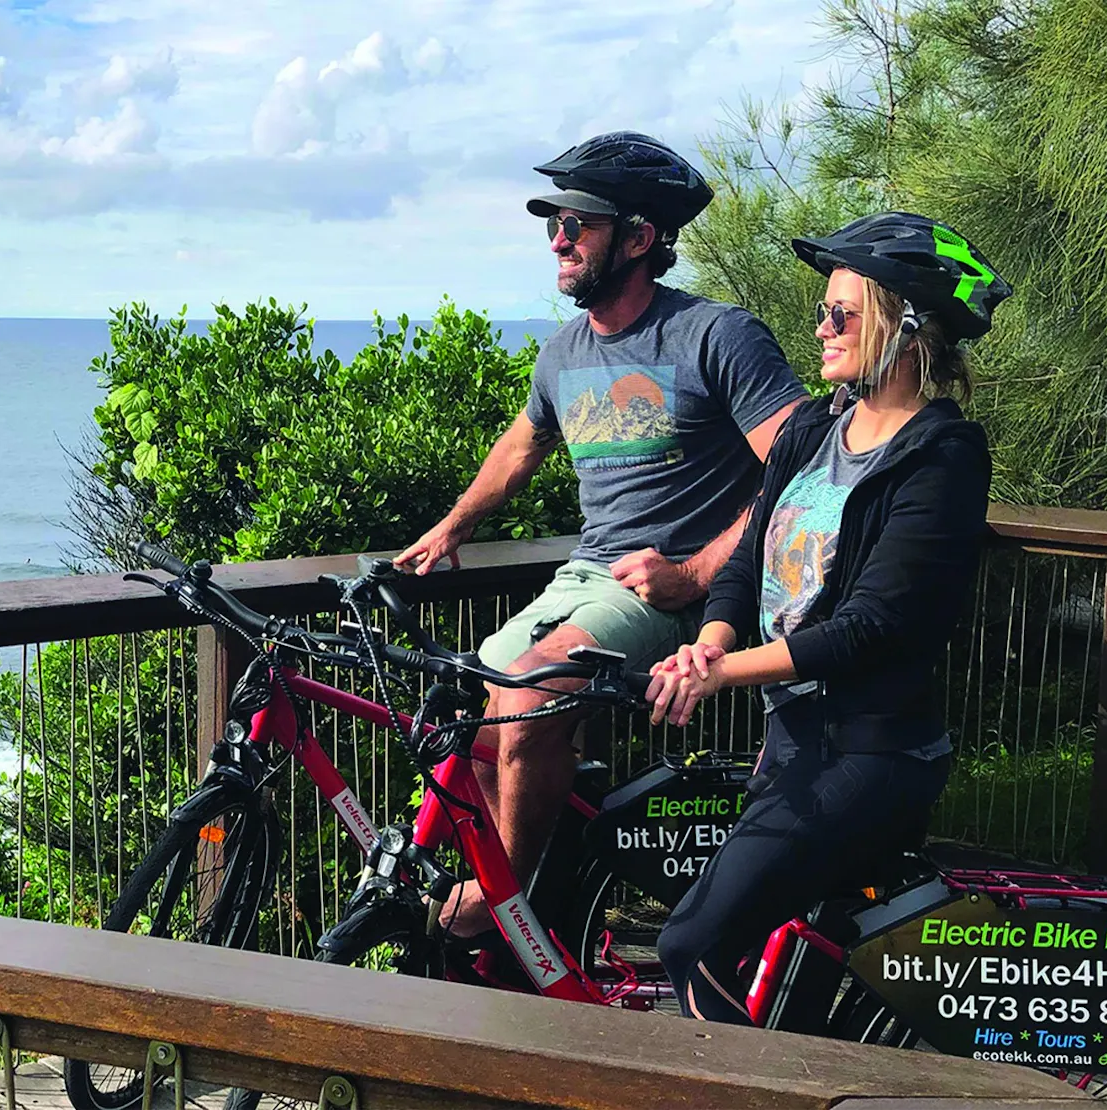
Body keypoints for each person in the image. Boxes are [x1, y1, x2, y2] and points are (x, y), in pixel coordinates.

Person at [394, 132, 808, 936]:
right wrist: (450, 527)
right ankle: (546, 885)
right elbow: (520, 450)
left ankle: (500, 904)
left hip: (680, 594)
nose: (558, 238)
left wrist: (695, 573)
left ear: (640, 237)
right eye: (554, 221)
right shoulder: (565, 353)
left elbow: (799, 471)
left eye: (578, 222)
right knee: (472, 708)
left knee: (527, 690)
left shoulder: (716, 336)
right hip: (589, 581)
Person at [646, 211, 1012, 1022]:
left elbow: (873, 624)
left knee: (690, 945)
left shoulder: (943, 456)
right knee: (788, 981)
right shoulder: (813, 429)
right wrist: (710, 639)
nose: (820, 328)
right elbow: (746, 564)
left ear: (904, 326)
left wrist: (717, 673)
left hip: (872, 754)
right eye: (821, 311)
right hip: (794, 743)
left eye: (840, 313)